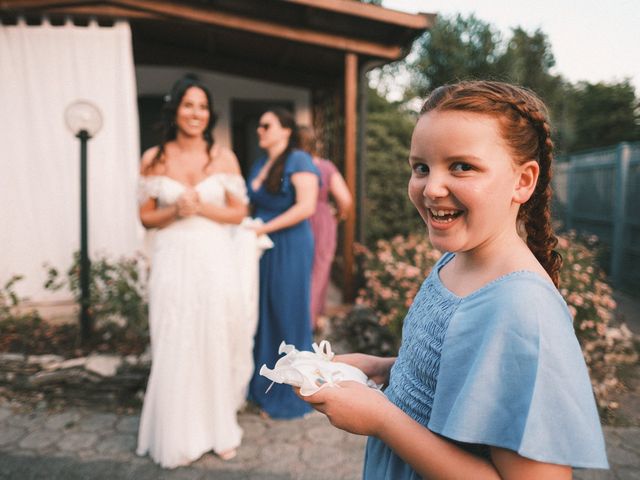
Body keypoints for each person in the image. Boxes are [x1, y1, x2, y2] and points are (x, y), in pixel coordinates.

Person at [299, 81, 609, 478]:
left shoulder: (522, 309)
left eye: (462, 166)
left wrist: (383, 421)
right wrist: (384, 368)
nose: (432, 188)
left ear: (523, 181)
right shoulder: (455, 260)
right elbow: (465, 381)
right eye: (421, 167)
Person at [136, 74, 255, 468]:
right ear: (175, 110)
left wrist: (202, 207)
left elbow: (239, 212)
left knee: (213, 337)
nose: (196, 113)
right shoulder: (155, 157)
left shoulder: (223, 156)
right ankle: (175, 433)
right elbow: (146, 216)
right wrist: (175, 210)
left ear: (209, 113)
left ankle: (219, 430)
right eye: (188, 105)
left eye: (202, 106)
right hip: (172, 260)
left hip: (213, 258)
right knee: (174, 337)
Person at [247, 108, 320, 419]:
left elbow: (306, 207)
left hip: (289, 244)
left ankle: (290, 395)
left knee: (287, 313)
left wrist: (263, 227)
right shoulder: (261, 163)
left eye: (266, 125)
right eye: (259, 125)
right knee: (264, 315)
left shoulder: (299, 160)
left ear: (286, 130)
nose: (259, 130)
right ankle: (262, 388)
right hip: (262, 248)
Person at [298, 126, 353, 331]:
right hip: (322, 219)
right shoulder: (326, 166)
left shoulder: (290, 165)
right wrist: (337, 216)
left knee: (300, 272)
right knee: (320, 271)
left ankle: (306, 319)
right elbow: (345, 199)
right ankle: (310, 321)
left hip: (296, 218)